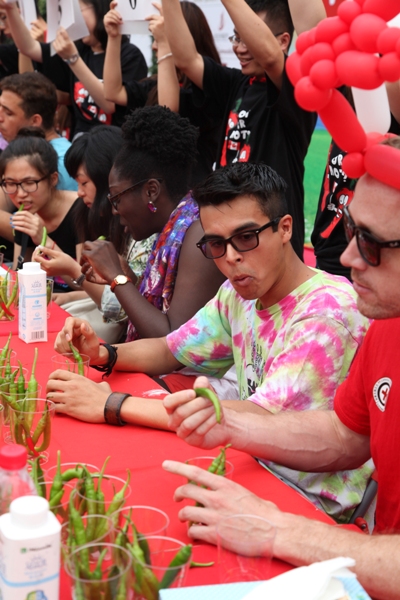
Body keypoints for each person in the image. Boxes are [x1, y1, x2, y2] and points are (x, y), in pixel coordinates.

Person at [49, 162, 372, 522]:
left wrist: (111, 404)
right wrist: (102, 352)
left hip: (307, 500)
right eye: (217, 243)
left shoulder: (324, 314)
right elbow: (170, 348)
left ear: (285, 229)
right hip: (251, 462)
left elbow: (261, 418)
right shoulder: (242, 292)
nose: (231, 257)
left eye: (246, 238)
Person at [158, 140, 400, 600]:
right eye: (350, 233)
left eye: (370, 244)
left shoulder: (337, 311)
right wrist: (230, 423)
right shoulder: (388, 322)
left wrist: (279, 531)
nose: (347, 258)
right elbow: (346, 434)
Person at [161, 0, 325, 259]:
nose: (239, 47)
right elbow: (186, 58)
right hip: (225, 237)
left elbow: (271, 58)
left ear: (283, 41)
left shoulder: (294, 89)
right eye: (236, 37)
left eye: (247, 36)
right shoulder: (236, 83)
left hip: (267, 243)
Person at [103, 0, 222, 185]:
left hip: (192, 194)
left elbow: (167, 114)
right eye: (155, 38)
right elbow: (113, 92)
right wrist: (113, 37)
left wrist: (166, 43)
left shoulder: (209, 87)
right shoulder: (156, 84)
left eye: (160, 37)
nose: (154, 46)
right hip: (158, 190)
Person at [0, 0, 147, 138]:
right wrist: (11, 9)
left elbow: (109, 104)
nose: (74, 20)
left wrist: (73, 59)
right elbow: (29, 47)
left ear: (99, 9)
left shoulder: (130, 55)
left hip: (112, 148)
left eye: (79, 10)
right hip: (79, 148)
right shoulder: (80, 50)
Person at [0, 134, 79, 282]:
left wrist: (44, 240)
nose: (20, 194)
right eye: (10, 183)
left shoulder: (80, 210)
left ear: (53, 179)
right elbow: (21, 277)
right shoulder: (25, 215)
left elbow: (85, 284)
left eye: (29, 182)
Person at [0, 72, 77, 191]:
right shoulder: (22, 149)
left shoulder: (62, 163)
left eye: (9, 113)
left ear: (35, 121)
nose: (0, 118)